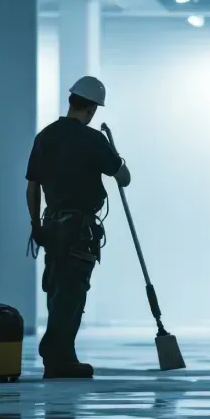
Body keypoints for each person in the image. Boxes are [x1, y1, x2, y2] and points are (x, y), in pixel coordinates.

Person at [26, 76, 131, 379]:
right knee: (72, 292)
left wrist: (35, 225)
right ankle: (58, 357)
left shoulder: (45, 137)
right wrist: (115, 154)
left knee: (58, 288)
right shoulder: (93, 141)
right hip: (79, 230)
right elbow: (123, 178)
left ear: (72, 101)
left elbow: (32, 188)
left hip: (51, 226)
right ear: (93, 109)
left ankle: (61, 354)